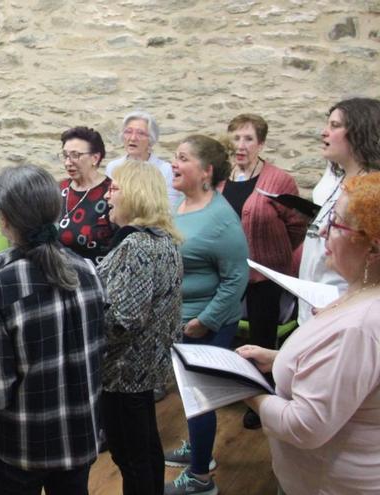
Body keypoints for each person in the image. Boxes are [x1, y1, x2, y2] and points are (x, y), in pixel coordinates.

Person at [0, 164, 105, 495]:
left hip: (20, 447)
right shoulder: (88, 270)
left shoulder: (1, 288)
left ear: (3, 220)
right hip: (79, 438)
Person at [237, 173, 380, 494]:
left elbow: (305, 426)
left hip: (331, 484)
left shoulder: (360, 325)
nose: (323, 231)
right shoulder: (360, 294)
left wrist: (245, 390)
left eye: (338, 224)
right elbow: (346, 376)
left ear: (371, 247)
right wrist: (276, 358)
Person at [163, 135, 249, 495]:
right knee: (189, 395)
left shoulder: (220, 218)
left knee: (200, 400)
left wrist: (205, 322)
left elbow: (236, 278)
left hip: (206, 326)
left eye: (182, 158)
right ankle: (200, 451)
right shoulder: (181, 205)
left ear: (207, 171)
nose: (173, 164)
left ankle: (200, 479)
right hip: (181, 321)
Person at [98, 160, 183, 495]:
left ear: (135, 193)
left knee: (132, 458)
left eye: (114, 187)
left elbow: (124, 320)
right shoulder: (164, 240)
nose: (107, 195)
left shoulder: (136, 246)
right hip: (146, 368)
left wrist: (82, 330)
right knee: (146, 450)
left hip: (123, 373)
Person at [220, 114, 307, 429]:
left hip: (265, 273)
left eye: (248, 139)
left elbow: (297, 225)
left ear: (261, 144)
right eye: (236, 138)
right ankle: (228, 386)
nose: (241, 146)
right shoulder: (221, 176)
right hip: (228, 273)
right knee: (223, 330)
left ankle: (261, 398)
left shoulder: (278, 179)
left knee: (262, 335)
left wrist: (275, 254)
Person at [298, 97, 380, 324]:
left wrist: (344, 305)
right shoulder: (337, 183)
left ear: (359, 133)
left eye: (335, 126)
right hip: (317, 312)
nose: (324, 133)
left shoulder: (370, 193)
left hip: (346, 315)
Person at [57, 126, 115, 263]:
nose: (67, 163)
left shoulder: (112, 192)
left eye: (75, 155)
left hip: (95, 278)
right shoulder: (59, 189)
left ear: (95, 158)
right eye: (65, 155)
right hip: (58, 277)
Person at [105, 111, 180, 208]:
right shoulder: (113, 167)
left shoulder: (166, 170)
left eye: (141, 133)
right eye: (128, 132)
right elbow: (108, 202)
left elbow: (170, 207)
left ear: (151, 139)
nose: (133, 138)